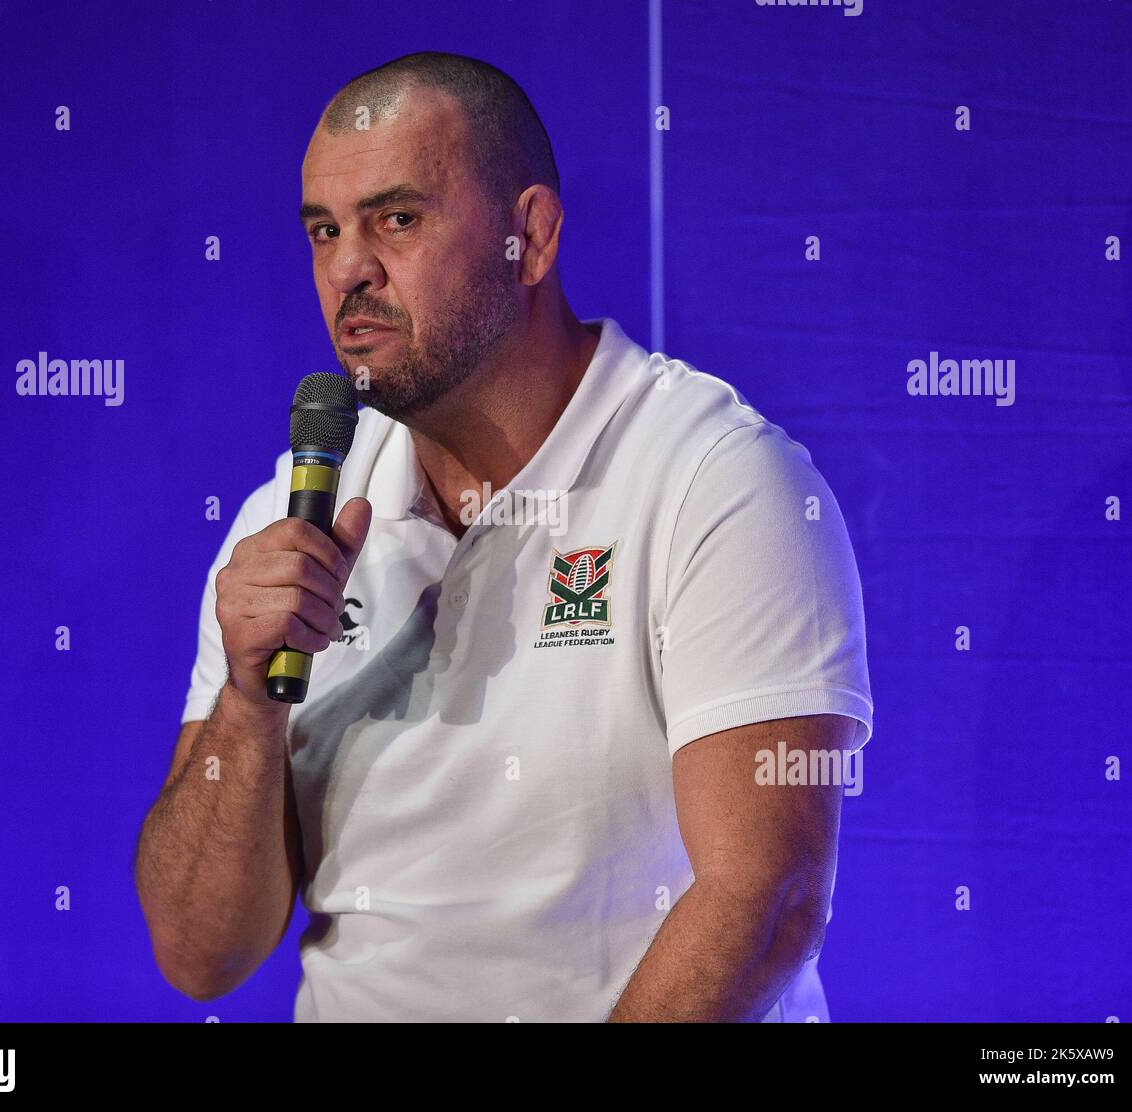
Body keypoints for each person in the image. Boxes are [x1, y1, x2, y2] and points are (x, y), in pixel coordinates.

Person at [135, 51, 874, 1022]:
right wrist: (247, 701)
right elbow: (199, 953)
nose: (349, 267)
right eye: (324, 229)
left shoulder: (714, 479)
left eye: (395, 218)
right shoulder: (289, 520)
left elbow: (765, 898)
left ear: (527, 234)